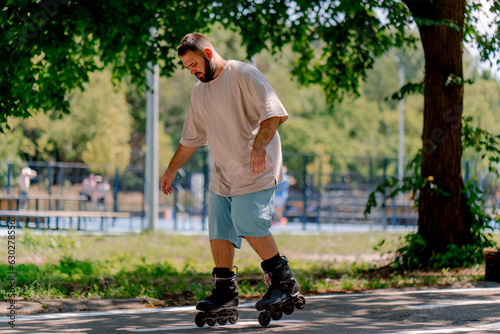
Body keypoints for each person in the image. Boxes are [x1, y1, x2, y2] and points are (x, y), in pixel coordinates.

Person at [160, 33, 302, 325]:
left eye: (194, 64)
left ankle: (283, 281)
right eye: (187, 68)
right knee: (220, 230)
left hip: (256, 167)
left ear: (209, 54)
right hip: (224, 172)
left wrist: (260, 146)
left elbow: (273, 113)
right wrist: (171, 168)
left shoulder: (244, 74)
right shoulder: (199, 93)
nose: (192, 71)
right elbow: (190, 140)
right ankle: (225, 291)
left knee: (247, 219)